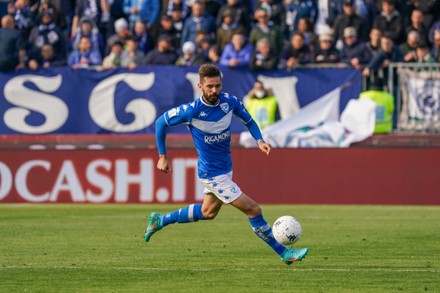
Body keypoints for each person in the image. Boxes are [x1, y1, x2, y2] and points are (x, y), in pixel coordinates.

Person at [145, 64, 309, 265]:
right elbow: (160, 122)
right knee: (253, 210)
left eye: (218, 86)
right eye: (210, 87)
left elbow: (248, 121)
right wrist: (162, 156)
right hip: (211, 173)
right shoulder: (192, 110)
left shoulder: (229, 102)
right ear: (200, 86)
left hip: (225, 169)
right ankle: (284, 253)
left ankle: (160, 220)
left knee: (208, 212)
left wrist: (260, 140)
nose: (214, 90)